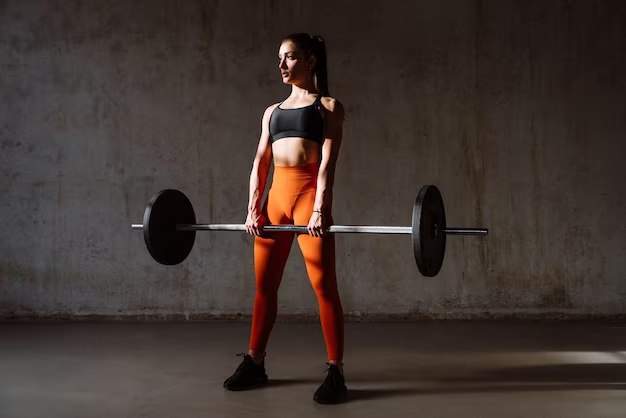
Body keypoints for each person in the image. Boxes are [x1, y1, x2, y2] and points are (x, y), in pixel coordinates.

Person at [223, 33, 347, 404]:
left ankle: (336, 370)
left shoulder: (328, 106)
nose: (281, 65)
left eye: (289, 57)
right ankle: (255, 361)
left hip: (308, 198)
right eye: (279, 58)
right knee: (264, 287)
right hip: (275, 200)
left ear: (310, 60)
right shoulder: (271, 112)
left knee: (324, 287)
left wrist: (320, 208)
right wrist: (252, 207)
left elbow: (327, 164)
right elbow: (261, 162)